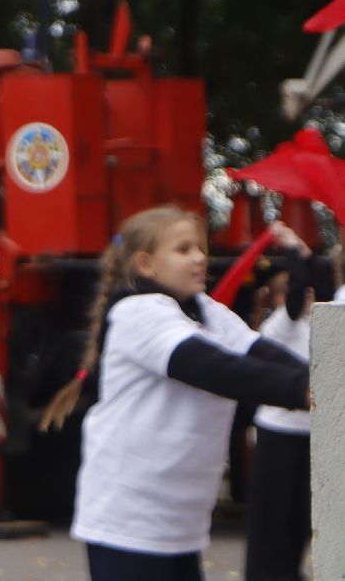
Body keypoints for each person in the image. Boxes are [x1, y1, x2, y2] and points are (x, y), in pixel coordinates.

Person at [41, 207, 310, 581]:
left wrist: (324, 381)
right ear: (146, 264)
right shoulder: (138, 313)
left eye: (200, 248)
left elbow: (262, 354)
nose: (199, 257)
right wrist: (303, 391)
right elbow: (211, 368)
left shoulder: (207, 312)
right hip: (129, 525)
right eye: (183, 250)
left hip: (180, 527)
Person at [244, 227, 335, 581]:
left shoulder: (315, 326)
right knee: (275, 514)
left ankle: (290, 572)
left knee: (301, 515)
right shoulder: (277, 326)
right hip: (278, 433)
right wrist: (295, 251)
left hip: (310, 434)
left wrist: (311, 258)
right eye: (300, 293)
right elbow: (298, 293)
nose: (309, 297)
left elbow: (325, 292)